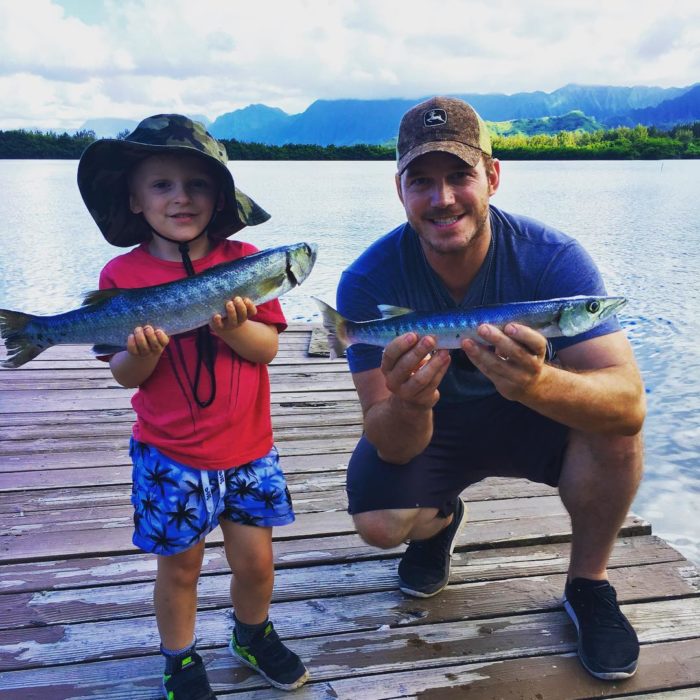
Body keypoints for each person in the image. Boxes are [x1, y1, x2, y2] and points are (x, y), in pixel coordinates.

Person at [336, 96, 645, 681]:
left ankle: (588, 585)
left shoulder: (555, 259)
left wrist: (536, 381)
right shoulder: (367, 280)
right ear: (399, 190)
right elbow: (390, 439)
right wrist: (408, 400)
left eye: (460, 176)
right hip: (435, 425)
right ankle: (440, 520)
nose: (442, 198)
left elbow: (627, 400)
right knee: (380, 523)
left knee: (615, 427)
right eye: (421, 181)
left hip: (533, 416)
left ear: (492, 177)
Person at [77, 115, 309, 698]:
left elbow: (267, 350)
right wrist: (143, 353)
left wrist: (234, 328)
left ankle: (251, 634)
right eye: (161, 185)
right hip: (169, 457)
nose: (180, 197)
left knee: (255, 563)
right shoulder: (121, 275)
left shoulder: (248, 261)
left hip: (249, 452)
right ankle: (178, 659)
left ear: (220, 196)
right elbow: (123, 376)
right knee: (180, 569)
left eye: (197, 184)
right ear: (133, 198)